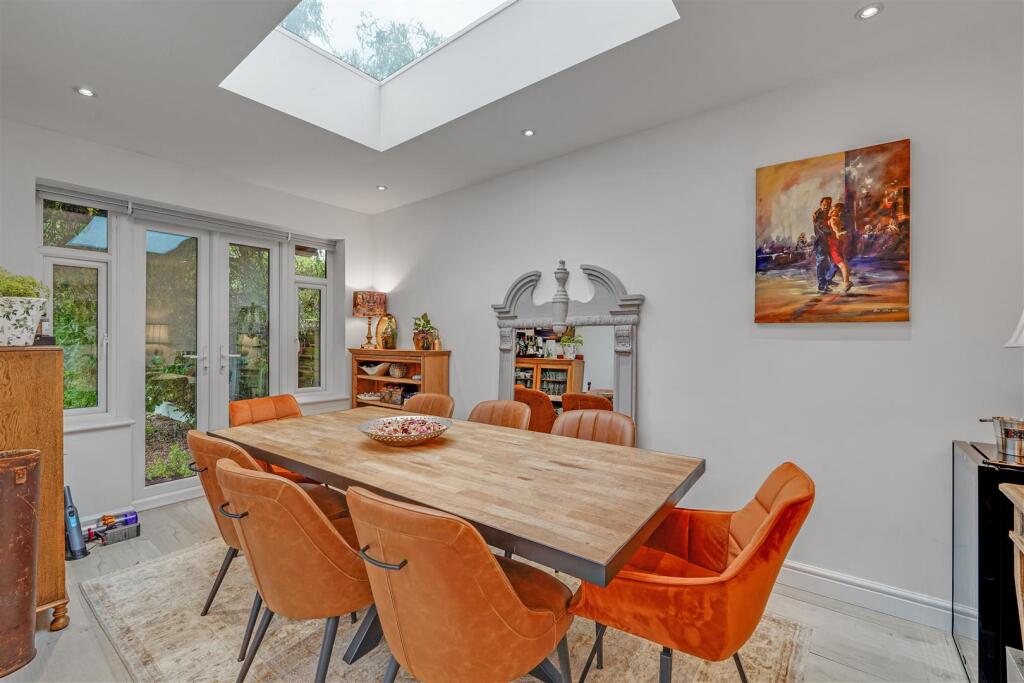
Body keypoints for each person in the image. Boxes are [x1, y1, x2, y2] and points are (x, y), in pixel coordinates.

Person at [812, 197, 838, 293]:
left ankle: (827, 279)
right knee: (822, 263)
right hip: (821, 242)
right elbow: (822, 228)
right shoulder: (818, 214)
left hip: (829, 241)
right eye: (824, 204)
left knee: (836, 261)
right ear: (821, 204)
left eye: (828, 205)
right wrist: (834, 232)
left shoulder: (829, 213)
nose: (826, 206)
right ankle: (822, 285)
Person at [828, 202, 853, 293]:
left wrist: (837, 233)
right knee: (839, 261)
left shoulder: (833, 219)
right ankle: (843, 281)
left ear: (838, 212)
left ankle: (846, 282)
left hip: (834, 243)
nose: (832, 211)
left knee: (840, 263)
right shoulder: (837, 219)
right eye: (832, 209)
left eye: (834, 210)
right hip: (837, 242)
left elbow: (835, 229)